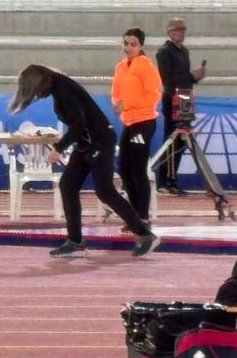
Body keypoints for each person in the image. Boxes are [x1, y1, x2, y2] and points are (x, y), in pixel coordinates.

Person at [12, 64, 158, 258]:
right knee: (68, 185)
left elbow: (79, 124)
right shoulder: (59, 87)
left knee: (105, 190)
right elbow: (79, 126)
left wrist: (58, 148)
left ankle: (144, 234)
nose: (37, 96)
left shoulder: (63, 90)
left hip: (100, 140)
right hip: (87, 141)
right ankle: (75, 241)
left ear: (41, 83)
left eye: (36, 91)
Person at [110, 27, 161, 221]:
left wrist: (128, 104)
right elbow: (115, 92)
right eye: (126, 43)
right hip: (129, 122)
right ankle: (134, 214)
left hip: (144, 122)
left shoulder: (145, 65)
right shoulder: (120, 66)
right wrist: (116, 104)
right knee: (124, 168)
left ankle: (142, 216)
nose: (128, 47)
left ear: (141, 46)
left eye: (133, 44)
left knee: (138, 169)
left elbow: (154, 93)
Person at [154, 17, 204, 194]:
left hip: (185, 97)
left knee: (182, 141)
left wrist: (194, 78)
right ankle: (164, 180)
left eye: (182, 30)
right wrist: (191, 76)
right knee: (171, 139)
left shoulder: (184, 51)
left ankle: (172, 179)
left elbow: (182, 78)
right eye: (176, 30)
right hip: (172, 97)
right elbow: (168, 79)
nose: (180, 33)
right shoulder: (164, 52)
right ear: (169, 32)